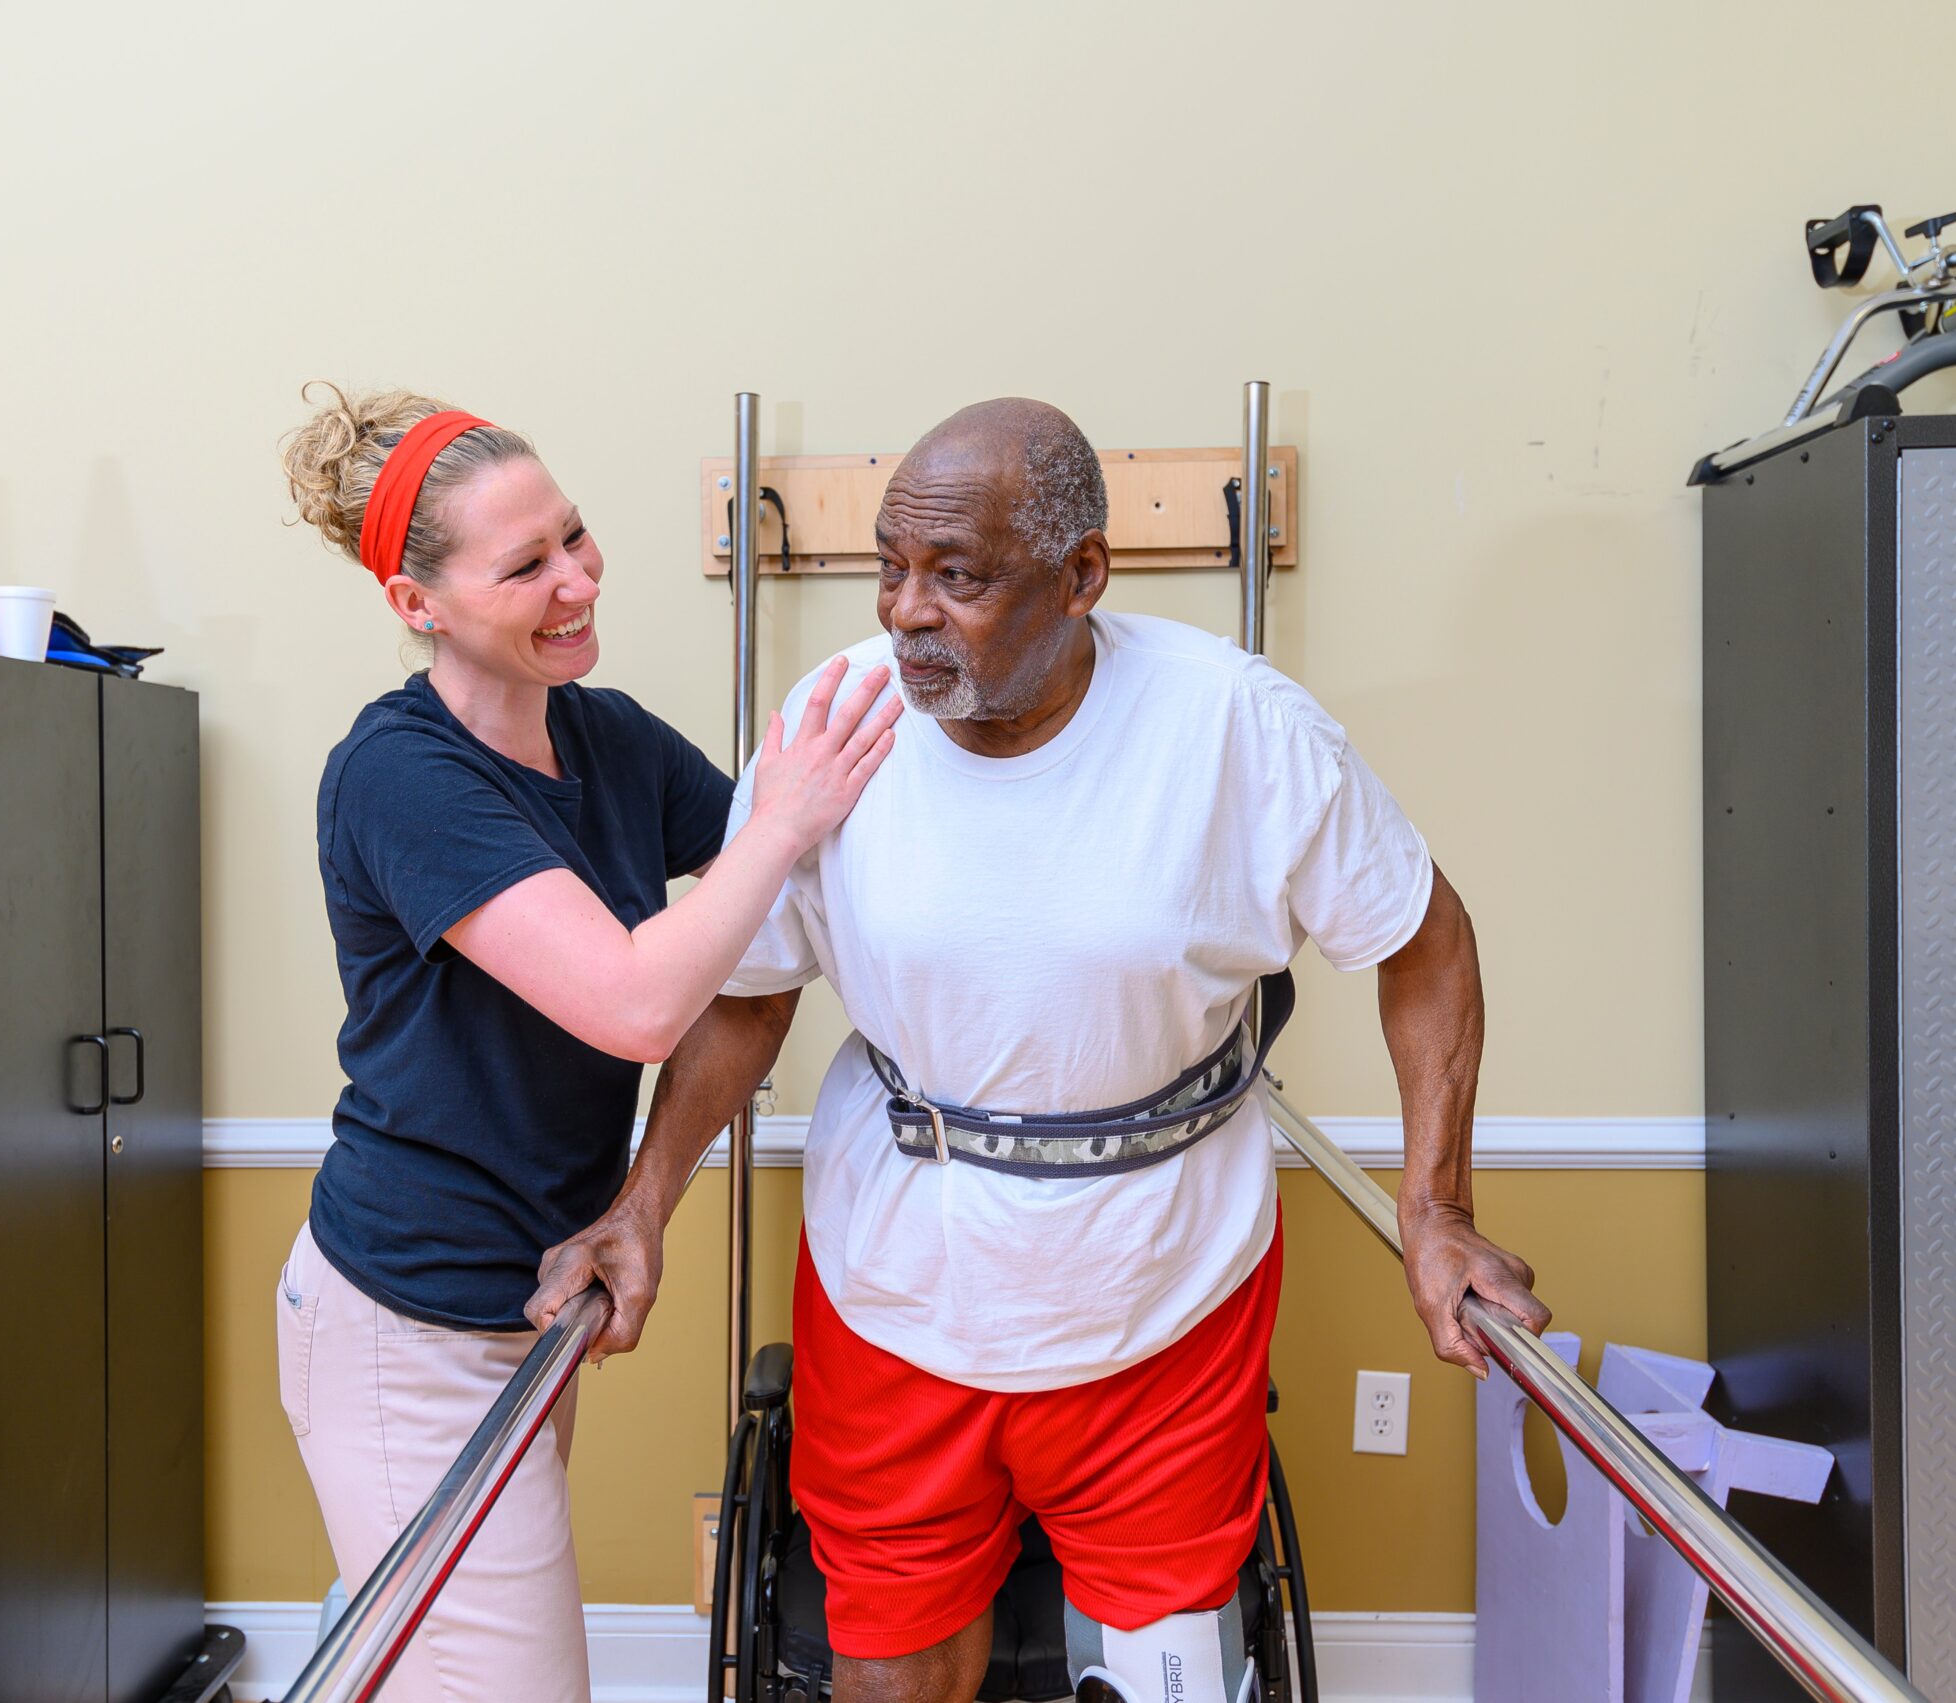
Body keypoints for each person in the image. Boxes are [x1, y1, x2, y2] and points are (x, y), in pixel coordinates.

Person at [530, 398, 1551, 1703]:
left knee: (1167, 1678)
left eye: (956, 578)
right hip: (895, 1282)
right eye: (889, 568)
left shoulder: (1237, 728)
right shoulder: (837, 715)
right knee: (889, 1675)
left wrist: (1439, 1206)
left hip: (1164, 1292)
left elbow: (1426, 940)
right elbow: (747, 992)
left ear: (1081, 579)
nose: (905, 611)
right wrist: (643, 1205)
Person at [273, 385, 899, 1703]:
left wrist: (645, 1200)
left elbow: (764, 943)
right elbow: (635, 1001)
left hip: (525, 1302)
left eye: (574, 536)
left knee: (432, 1661)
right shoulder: (400, 775)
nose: (576, 581)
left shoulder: (607, 743)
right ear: (415, 605)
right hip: (406, 1325)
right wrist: (783, 820)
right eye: (525, 565)